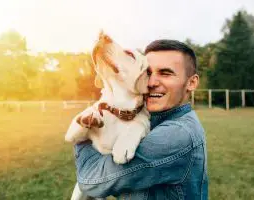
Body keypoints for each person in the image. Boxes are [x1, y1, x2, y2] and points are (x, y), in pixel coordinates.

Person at [74, 40, 208, 200]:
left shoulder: (177, 135)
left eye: (165, 73)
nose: (151, 83)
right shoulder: (148, 120)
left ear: (192, 83)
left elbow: (92, 181)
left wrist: (82, 133)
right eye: (148, 73)